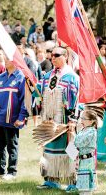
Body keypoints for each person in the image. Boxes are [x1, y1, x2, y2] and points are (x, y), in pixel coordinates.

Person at [36, 47, 79, 191]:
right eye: (51, 56)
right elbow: (38, 92)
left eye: (56, 55)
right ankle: (51, 180)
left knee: (70, 149)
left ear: (65, 56)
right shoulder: (47, 76)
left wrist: (73, 120)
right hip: (50, 121)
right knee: (49, 149)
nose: (52, 58)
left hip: (67, 122)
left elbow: (78, 101)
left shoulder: (72, 77)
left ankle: (74, 180)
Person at [0, 54, 29, 180]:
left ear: (15, 61)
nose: (4, 59)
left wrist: (21, 118)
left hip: (12, 119)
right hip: (0, 118)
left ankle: (12, 171)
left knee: (12, 146)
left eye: (8, 58)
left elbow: (25, 101)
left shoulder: (21, 78)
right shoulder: (0, 77)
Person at [75, 108, 99, 195]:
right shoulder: (82, 130)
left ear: (92, 121)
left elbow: (79, 142)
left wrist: (72, 134)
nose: (81, 120)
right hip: (82, 161)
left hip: (88, 161)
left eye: (84, 119)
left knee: (87, 187)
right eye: (81, 118)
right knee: (82, 187)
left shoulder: (92, 131)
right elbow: (74, 144)